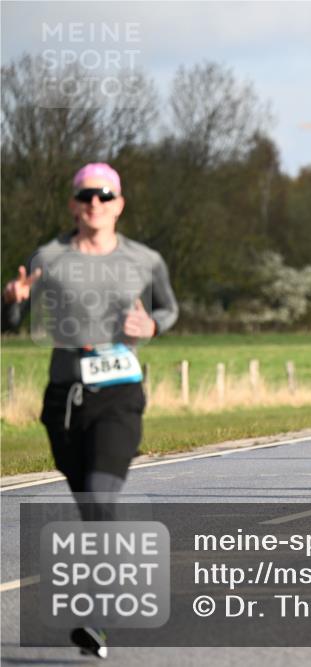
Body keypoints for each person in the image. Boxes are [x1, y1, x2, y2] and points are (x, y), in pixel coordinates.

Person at [2, 163, 179, 659]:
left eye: (104, 196)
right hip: (64, 396)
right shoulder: (49, 258)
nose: (95, 204)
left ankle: (97, 617)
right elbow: (9, 319)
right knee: (90, 504)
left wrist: (153, 327)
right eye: (86, 196)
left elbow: (168, 309)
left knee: (102, 494)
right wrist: (11, 302)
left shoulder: (144, 260)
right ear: (73, 204)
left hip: (120, 392)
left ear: (119, 203)